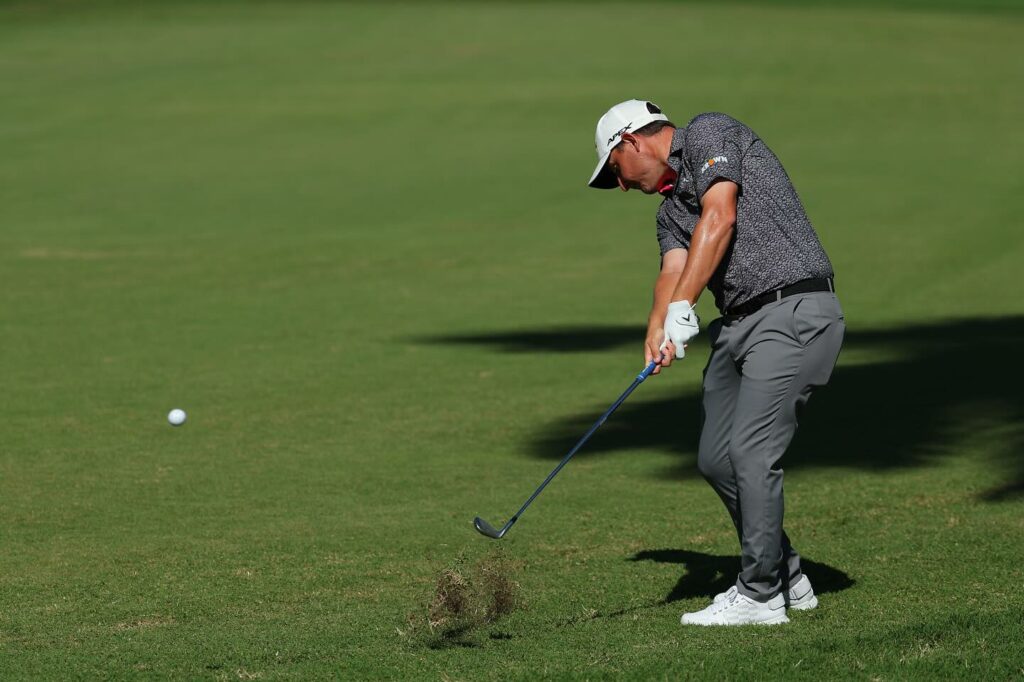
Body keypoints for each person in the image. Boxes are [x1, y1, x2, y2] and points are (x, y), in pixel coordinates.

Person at [588, 99, 845, 626]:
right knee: (715, 459)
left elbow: (721, 213)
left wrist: (685, 305)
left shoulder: (709, 133)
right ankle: (786, 573)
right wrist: (658, 327)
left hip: (792, 309)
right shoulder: (667, 213)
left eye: (615, 170)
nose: (619, 185)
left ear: (631, 142)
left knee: (750, 451)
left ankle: (759, 596)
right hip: (736, 328)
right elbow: (672, 269)